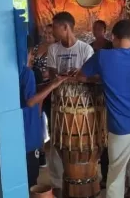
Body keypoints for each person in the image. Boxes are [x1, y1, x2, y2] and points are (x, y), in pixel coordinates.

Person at [76, 19, 130, 198]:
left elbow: (81, 76)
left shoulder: (103, 56)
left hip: (122, 127)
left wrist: (99, 79)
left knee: (116, 175)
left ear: (113, 37)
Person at [46, 11, 94, 194]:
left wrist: (79, 75)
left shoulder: (85, 49)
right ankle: (58, 184)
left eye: (55, 27)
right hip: (59, 105)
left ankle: (83, 180)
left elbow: (91, 77)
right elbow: (51, 75)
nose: (53, 30)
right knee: (57, 143)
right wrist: (61, 77)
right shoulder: (53, 49)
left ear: (65, 27)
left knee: (81, 144)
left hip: (81, 107)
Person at [22, 36, 68, 188]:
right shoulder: (27, 72)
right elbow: (31, 101)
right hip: (28, 126)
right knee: (31, 176)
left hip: (20, 129)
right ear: (29, 52)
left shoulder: (11, 71)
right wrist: (53, 85)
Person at [32, 24, 55, 167]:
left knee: (52, 120)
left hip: (49, 88)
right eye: (45, 32)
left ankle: (54, 152)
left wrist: (45, 74)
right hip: (35, 88)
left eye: (50, 33)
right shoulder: (36, 48)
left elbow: (55, 71)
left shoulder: (56, 49)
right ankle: (40, 153)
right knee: (37, 120)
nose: (47, 35)